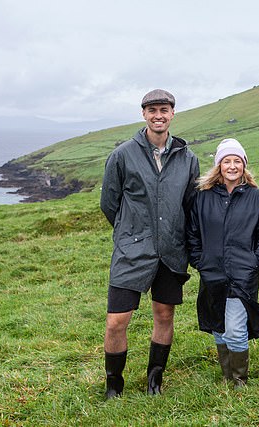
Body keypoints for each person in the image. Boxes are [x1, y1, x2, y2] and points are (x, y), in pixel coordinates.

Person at [100, 89, 200, 398]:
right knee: (117, 321)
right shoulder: (123, 154)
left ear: (173, 114)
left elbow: (190, 204)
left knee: (164, 315)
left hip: (171, 251)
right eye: (152, 109)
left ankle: (154, 380)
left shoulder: (187, 158)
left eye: (164, 109)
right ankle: (114, 383)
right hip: (132, 251)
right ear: (144, 114)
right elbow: (110, 203)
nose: (158, 115)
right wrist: (131, 233)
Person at [187, 138, 259, 389]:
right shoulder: (202, 197)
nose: (232, 165)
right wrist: (200, 261)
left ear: (244, 166)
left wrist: (254, 263)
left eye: (237, 161)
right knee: (218, 324)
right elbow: (193, 234)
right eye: (227, 161)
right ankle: (227, 375)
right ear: (219, 165)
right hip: (212, 273)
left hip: (242, 275)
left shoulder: (257, 198)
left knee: (236, 329)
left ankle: (239, 380)